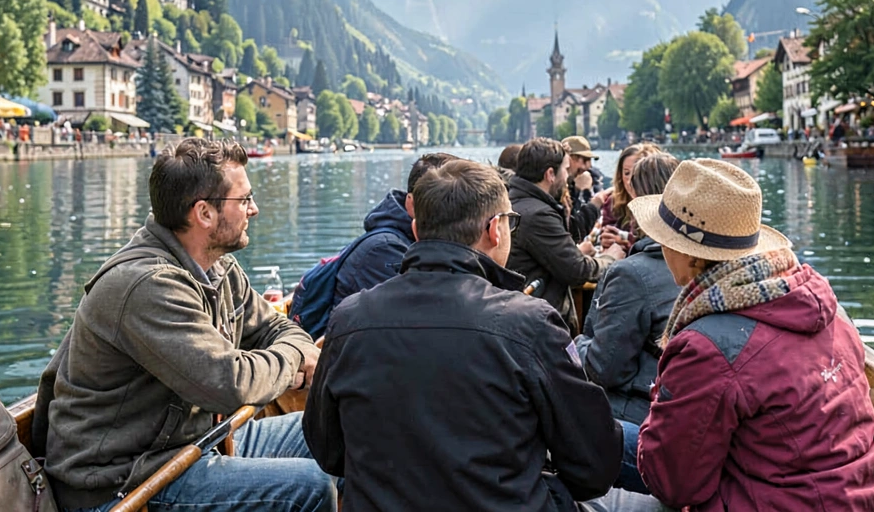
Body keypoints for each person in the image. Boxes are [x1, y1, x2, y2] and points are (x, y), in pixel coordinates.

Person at [304, 159, 664, 512]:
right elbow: (593, 467)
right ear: (496, 229)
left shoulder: (349, 319)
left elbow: (328, 450)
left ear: (416, 230)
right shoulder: (531, 323)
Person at [33, 138, 334, 512]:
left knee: (340, 425)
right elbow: (230, 384)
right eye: (244, 200)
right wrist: (295, 359)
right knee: (310, 488)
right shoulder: (148, 286)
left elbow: (275, 328)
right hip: (124, 482)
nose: (253, 209)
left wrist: (296, 347)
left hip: (190, 446)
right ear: (204, 213)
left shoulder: (215, 265)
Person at [632, 159, 874, 511]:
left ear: (686, 253)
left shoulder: (706, 347)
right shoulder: (821, 302)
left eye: (662, 239)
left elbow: (671, 483)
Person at [574, 152, 681, 424]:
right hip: (689, 411)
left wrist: (576, 344)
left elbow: (603, 370)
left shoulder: (632, 275)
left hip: (650, 416)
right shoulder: (715, 269)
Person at [508, 138, 624, 330]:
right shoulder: (538, 214)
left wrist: (594, 204)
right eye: (565, 169)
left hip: (525, 315)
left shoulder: (518, 201)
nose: (567, 176)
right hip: (540, 322)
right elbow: (577, 270)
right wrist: (610, 258)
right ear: (550, 174)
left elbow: (564, 237)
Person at [330, 152, 457, 308]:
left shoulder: (411, 241)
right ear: (411, 203)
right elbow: (419, 312)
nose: (453, 211)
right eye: (443, 201)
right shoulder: (384, 250)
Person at [599, 143, 664, 252]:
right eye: (626, 173)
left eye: (638, 173)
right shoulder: (613, 202)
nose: (630, 181)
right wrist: (607, 240)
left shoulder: (665, 207)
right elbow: (606, 233)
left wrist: (628, 243)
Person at [563, 136, 604, 241]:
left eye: (589, 160)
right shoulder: (558, 189)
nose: (587, 166)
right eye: (585, 160)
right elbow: (573, 230)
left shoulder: (595, 179)